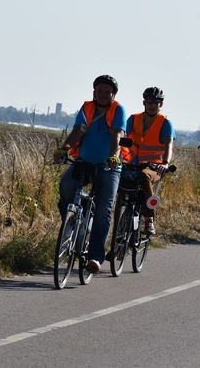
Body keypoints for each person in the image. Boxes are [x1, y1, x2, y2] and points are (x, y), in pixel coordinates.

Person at [53, 75, 126, 275]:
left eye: (107, 92)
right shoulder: (87, 108)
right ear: (93, 92)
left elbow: (117, 135)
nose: (102, 95)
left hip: (109, 167)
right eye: (99, 91)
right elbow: (78, 130)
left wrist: (114, 157)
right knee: (66, 185)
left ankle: (94, 257)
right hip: (84, 162)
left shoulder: (118, 110)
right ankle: (71, 222)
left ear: (114, 95)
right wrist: (64, 148)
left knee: (103, 210)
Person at [122, 87, 175, 235]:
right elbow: (123, 136)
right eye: (150, 102)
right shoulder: (134, 119)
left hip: (154, 167)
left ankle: (149, 219)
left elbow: (168, 145)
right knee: (122, 195)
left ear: (161, 104)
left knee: (144, 176)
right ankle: (117, 239)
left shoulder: (165, 123)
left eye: (156, 102)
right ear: (144, 102)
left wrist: (165, 163)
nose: (152, 105)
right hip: (131, 164)